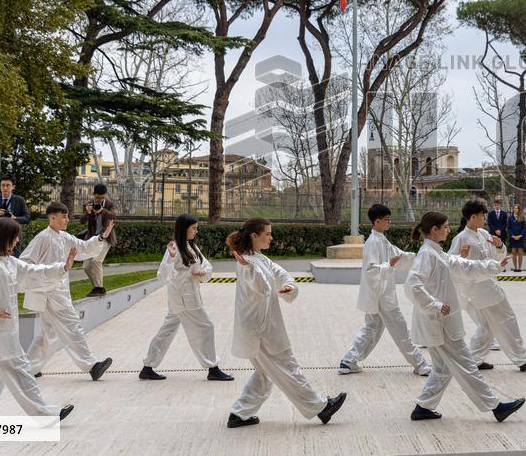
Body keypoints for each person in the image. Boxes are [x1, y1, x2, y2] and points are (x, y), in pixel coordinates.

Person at [226, 218, 347, 428]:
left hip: (265, 326)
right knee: (287, 366)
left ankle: (240, 414)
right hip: (260, 330)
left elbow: (279, 273)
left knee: (265, 374)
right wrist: (254, 271)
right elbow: (263, 289)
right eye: (267, 234)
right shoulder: (246, 264)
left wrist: (289, 286)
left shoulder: (258, 258)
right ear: (254, 236)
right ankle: (320, 407)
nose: (271, 238)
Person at [406, 211, 526, 422]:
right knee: (467, 365)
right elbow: (412, 285)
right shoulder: (427, 254)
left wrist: (494, 266)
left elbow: (464, 266)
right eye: (445, 226)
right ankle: (495, 406)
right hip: (439, 322)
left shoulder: (436, 253)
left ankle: (424, 406)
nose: (448, 229)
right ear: (435, 230)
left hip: (440, 321)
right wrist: (434, 305)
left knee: (443, 369)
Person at [0, 218, 77, 420]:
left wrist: (62, 268)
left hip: (7, 333)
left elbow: (33, 273)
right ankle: (46, 415)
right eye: (15, 236)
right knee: (22, 373)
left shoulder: (9, 262)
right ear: (4, 238)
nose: (18, 240)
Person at [449, 199, 526, 372]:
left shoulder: (483, 234)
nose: (484, 219)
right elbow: (452, 265)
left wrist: (500, 245)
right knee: (507, 317)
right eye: (482, 215)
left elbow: (497, 255)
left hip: (488, 284)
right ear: (472, 217)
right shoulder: (461, 238)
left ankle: (473, 360)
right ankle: (522, 358)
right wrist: (462, 256)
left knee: (487, 327)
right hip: (479, 288)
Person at [21, 201, 114, 381]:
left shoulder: (64, 237)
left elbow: (84, 248)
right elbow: (25, 262)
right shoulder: (42, 238)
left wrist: (102, 237)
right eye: (63, 216)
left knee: (48, 333)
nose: (67, 219)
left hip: (59, 291)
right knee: (72, 325)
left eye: (67, 216)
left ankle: (29, 368)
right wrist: (47, 274)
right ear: (52, 217)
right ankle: (91, 365)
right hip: (50, 292)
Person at [139, 214, 234, 382]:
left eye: (196, 228)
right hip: (184, 299)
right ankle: (213, 368)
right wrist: (171, 257)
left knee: (166, 331)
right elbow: (163, 274)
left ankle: (148, 367)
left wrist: (202, 272)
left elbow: (206, 265)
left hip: (184, 298)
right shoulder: (174, 248)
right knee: (206, 327)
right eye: (193, 228)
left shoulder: (192, 246)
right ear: (184, 229)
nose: (196, 231)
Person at [339, 204, 431, 376]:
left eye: (390, 219)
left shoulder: (381, 239)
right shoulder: (373, 242)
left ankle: (348, 361)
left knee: (371, 329)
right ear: (377, 221)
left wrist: (417, 258)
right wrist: (389, 265)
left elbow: (397, 254)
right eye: (387, 220)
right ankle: (420, 363)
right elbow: (371, 270)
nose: (390, 222)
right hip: (383, 296)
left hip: (381, 294)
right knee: (400, 329)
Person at [79, 183, 116, 297]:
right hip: (92, 239)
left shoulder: (109, 204)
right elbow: (82, 221)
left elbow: (114, 217)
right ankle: (97, 287)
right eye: (97, 197)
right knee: (86, 266)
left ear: (105, 195)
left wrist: (102, 210)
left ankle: (99, 288)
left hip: (105, 237)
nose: (99, 200)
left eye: (101, 198)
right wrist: (88, 212)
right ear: (93, 194)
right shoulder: (88, 204)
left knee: (96, 261)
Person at [507, 204, 526, 273]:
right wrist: (512, 235)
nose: (515, 209)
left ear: (519, 210)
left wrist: (520, 235)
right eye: (514, 208)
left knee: (520, 253)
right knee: (514, 253)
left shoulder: (522, 217)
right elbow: (509, 228)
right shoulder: (510, 218)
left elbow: (524, 228)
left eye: (517, 208)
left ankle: (519, 267)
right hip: (513, 238)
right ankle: (515, 267)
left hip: (520, 238)